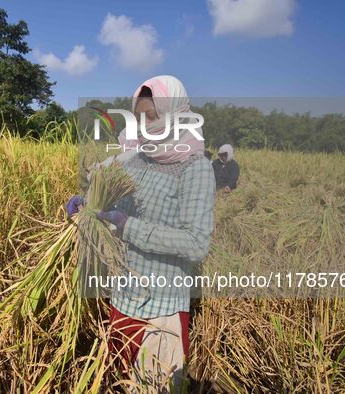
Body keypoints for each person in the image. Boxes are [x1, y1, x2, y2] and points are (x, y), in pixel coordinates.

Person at [66, 75, 215, 391]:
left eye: (153, 115)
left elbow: (196, 243)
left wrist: (128, 225)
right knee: (122, 384)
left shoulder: (195, 167)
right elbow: (112, 210)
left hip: (160, 313)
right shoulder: (134, 157)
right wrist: (90, 207)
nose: (145, 124)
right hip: (123, 300)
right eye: (140, 115)